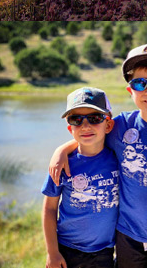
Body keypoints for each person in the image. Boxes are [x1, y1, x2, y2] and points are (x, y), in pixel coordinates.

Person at [49, 43, 147, 268]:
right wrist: (61, 150)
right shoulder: (121, 125)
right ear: (131, 91)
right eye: (140, 83)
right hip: (126, 235)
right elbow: (90, 136)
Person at [44, 88, 121, 268]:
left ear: (108, 125)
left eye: (94, 118)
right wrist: (52, 253)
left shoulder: (120, 159)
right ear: (70, 128)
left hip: (105, 251)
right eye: (76, 120)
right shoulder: (61, 165)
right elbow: (49, 209)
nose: (85, 126)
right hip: (67, 249)